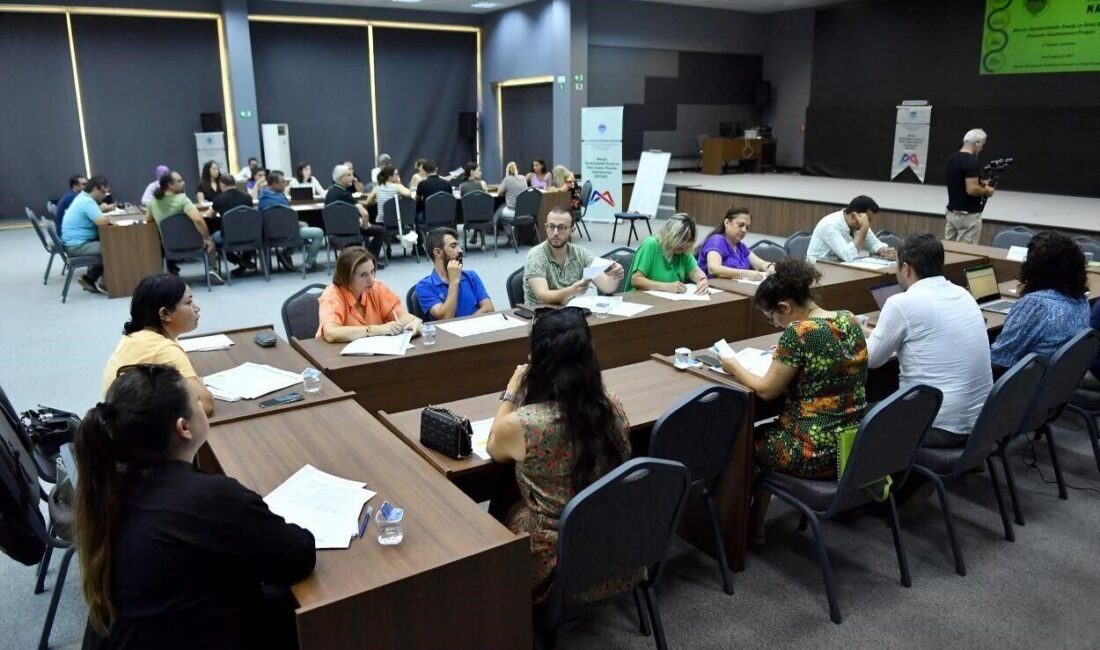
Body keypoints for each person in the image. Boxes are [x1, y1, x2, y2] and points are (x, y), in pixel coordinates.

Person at [75, 364, 315, 650]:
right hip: (185, 634)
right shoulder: (208, 498)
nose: (204, 405)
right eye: (197, 401)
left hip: (137, 636)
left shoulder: (111, 486)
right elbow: (297, 557)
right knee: (301, 607)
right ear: (184, 427)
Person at [486, 307, 636, 603]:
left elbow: (493, 446)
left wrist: (512, 391)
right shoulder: (612, 406)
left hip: (556, 565)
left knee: (502, 501)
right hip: (616, 547)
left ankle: (502, 597)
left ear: (537, 361)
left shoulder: (524, 424)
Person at [717, 259, 867, 542]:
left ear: (785, 307)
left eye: (773, 317)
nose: (776, 324)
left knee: (744, 441)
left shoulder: (798, 333)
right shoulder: (849, 319)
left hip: (815, 452)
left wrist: (734, 366)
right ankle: (756, 525)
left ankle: (732, 533)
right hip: (851, 444)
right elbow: (827, 355)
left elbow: (766, 391)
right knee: (769, 433)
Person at [865, 233, 992, 447]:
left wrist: (853, 331)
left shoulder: (901, 303)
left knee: (864, 412)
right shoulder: (963, 294)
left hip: (937, 426)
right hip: (981, 423)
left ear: (906, 268)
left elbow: (872, 359)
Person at [100, 273, 215, 415]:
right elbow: (205, 404)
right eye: (189, 302)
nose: (197, 308)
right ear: (164, 314)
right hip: (132, 424)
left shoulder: (137, 334)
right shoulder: (163, 349)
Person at [990, 231, 1090, 372]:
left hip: (1017, 382)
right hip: (1056, 380)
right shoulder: (1081, 300)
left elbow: (998, 358)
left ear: (1034, 268)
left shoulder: (1035, 305)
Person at [522, 206, 625, 306]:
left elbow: (607, 287)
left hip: (568, 312)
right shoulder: (536, 255)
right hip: (539, 313)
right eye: (551, 226)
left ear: (572, 229)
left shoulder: (581, 254)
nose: (555, 233)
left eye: (561, 227)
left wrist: (615, 276)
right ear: (546, 227)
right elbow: (542, 296)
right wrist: (571, 291)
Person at [317, 246, 422, 342]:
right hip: (335, 353)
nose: (371, 280)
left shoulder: (377, 288)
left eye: (372, 272)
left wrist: (413, 321)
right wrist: (374, 330)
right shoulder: (332, 294)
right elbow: (331, 333)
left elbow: (399, 316)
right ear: (347, 277)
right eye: (363, 275)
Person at [415, 227, 493, 321]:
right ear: (438, 252)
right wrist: (453, 282)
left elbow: (489, 309)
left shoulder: (471, 276)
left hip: (478, 329)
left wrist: (466, 326)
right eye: (453, 246)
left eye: (458, 246)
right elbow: (446, 317)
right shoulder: (424, 286)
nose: (460, 250)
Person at [625, 214, 710, 294]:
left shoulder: (684, 250)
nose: (684, 245)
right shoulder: (651, 244)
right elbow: (636, 280)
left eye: (688, 241)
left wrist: (702, 280)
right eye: (681, 239)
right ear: (668, 234)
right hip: (640, 298)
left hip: (667, 300)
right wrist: (665, 287)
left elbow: (695, 271)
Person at [258, 170, 325, 273]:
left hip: (270, 233)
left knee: (304, 224)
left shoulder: (262, 197)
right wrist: (295, 223)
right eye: (282, 182)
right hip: (287, 232)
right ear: (274, 184)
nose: (285, 184)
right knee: (318, 233)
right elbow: (287, 220)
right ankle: (308, 263)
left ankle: (287, 253)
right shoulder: (280, 199)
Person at [805, 195, 896, 264]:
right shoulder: (830, 225)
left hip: (839, 267)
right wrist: (864, 228)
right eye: (867, 220)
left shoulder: (859, 223)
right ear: (853, 216)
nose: (868, 224)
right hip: (818, 271)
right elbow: (848, 256)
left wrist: (885, 251)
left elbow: (874, 244)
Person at [60, 175, 113, 294]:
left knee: (107, 243)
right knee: (113, 247)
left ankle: (90, 279)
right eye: (103, 192)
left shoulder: (82, 197)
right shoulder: (87, 201)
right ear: (95, 189)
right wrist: (110, 218)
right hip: (77, 246)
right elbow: (101, 222)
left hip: (74, 243)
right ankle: (105, 284)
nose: (104, 196)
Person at [144, 170, 216, 257]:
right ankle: (213, 264)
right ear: (170, 185)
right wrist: (207, 238)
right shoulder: (183, 200)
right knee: (211, 241)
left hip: (168, 244)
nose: (183, 183)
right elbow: (198, 220)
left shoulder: (153, 202)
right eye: (179, 181)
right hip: (191, 241)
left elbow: (148, 221)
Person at [944, 128, 995, 244]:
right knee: (965, 252)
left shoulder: (951, 159)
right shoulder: (971, 162)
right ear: (977, 143)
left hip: (951, 213)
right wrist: (988, 191)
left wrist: (980, 184)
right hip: (967, 216)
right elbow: (972, 189)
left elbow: (959, 182)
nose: (982, 148)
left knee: (948, 248)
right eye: (982, 145)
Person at [697, 207, 777, 280]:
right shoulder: (716, 240)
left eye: (747, 227)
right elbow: (713, 269)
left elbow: (760, 264)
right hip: (712, 288)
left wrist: (770, 266)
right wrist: (745, 274)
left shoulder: (741, 247)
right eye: (741, 225)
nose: (744, 230)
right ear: (727, 223)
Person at [327, 164, 384, 260]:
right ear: (341, 178)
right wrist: (365, 225)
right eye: (349, 175)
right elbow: (364, 213)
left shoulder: (330, 192)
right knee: (380, 230)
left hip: (334, 232)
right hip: (351, 230)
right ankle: (371, 258)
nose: (353, 178)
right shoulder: (346, 195)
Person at [210, 176, 257, 276]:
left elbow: (211, 215)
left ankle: (237, 260)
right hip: (248, 234)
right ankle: (244, 262)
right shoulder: (247, 197)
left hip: (228, 236)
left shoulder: (219, 199)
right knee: (250, 241)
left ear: (222, 184)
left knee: (212, 239)